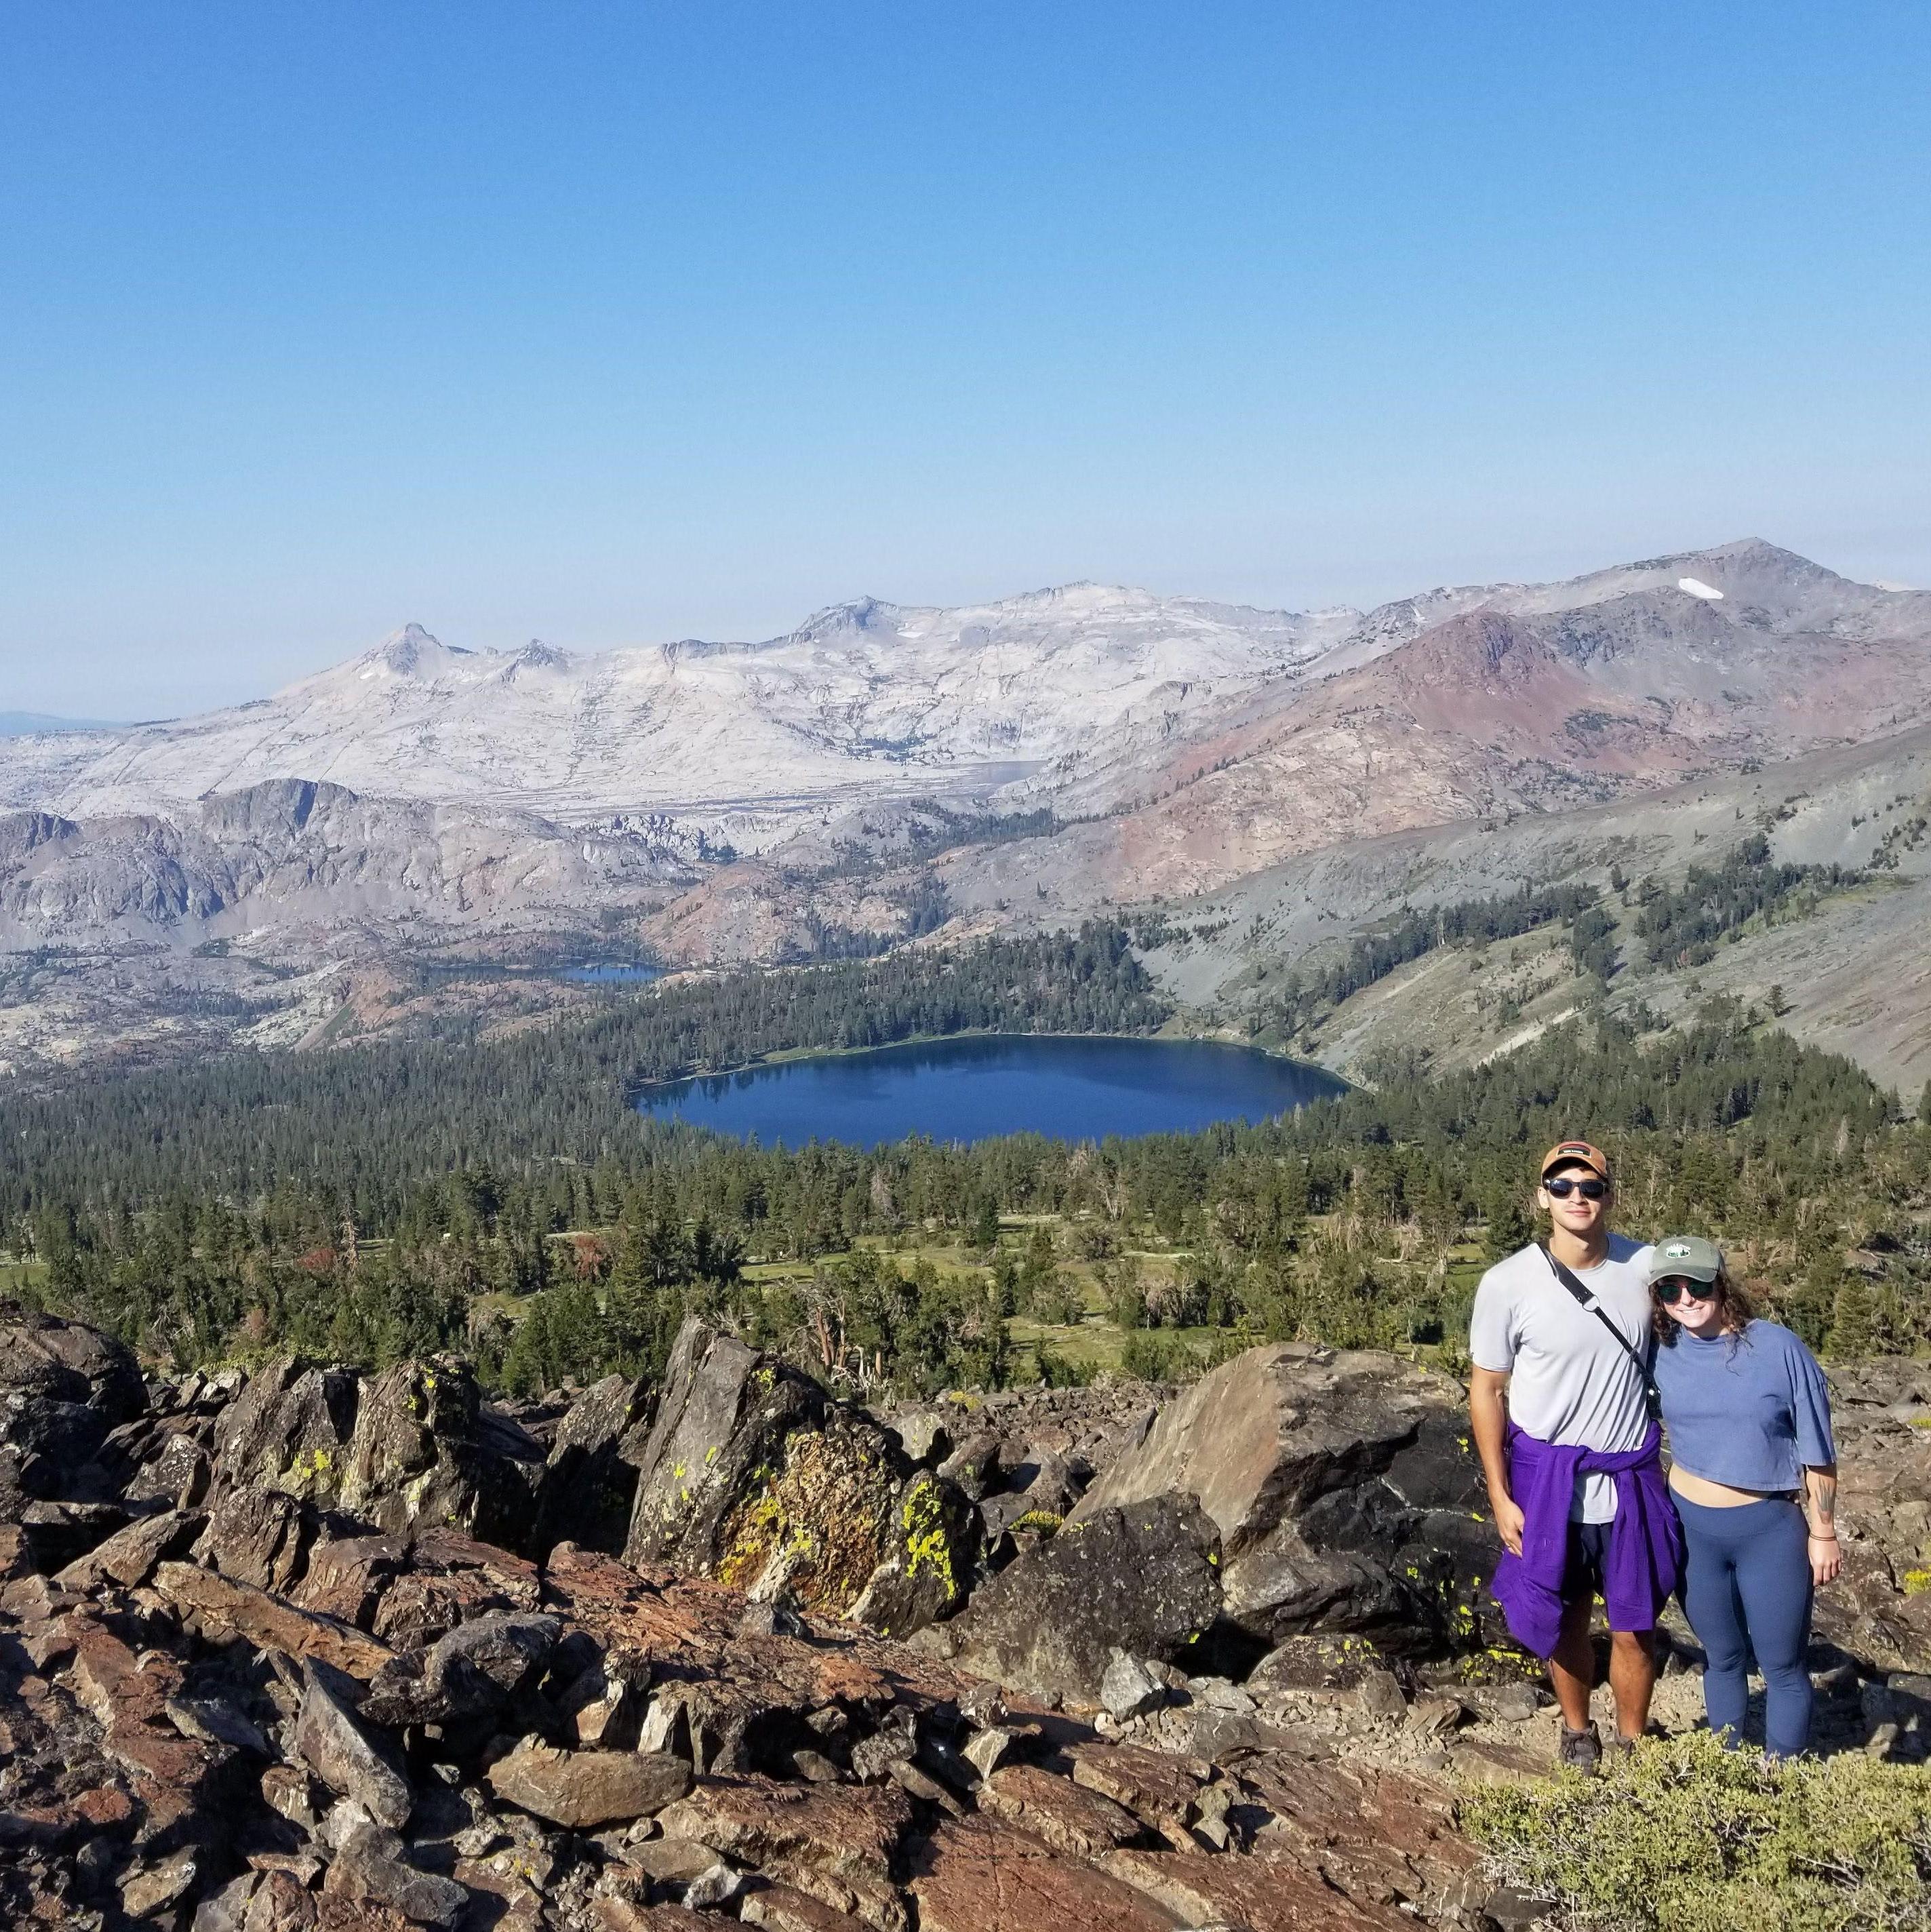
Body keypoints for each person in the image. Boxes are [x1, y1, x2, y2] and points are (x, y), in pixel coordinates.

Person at [1469, 1141, 1683, 1773]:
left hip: (1627, 1475)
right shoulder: (1507, 1282)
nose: (1576, 1196)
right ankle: (1577, 1728)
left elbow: (1702, 1320)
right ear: (1543, 1197)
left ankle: (1634, 1741)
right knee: (1564, 1618)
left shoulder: (1643, 1267)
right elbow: (1487, 1389)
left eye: (1588, 1185)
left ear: (1609, 1193)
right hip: (1547, 1482)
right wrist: (1500, 1494)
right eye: (1561, 1186)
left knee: (1634, 1624)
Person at [1648, 1234, 1839, 1760]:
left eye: (1698, 1284)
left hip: (1768, 1530)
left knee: (1781, 1665)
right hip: (1691, 1529)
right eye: (1669, 1287)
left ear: (1722, 1282)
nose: (1685, 1297)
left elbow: (1818, 1450)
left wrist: (1823, 1531)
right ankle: (1724, 1774)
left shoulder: (1778, 1348)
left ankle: (1784, 1780)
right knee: (1723, 1655)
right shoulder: (1662, 1348)